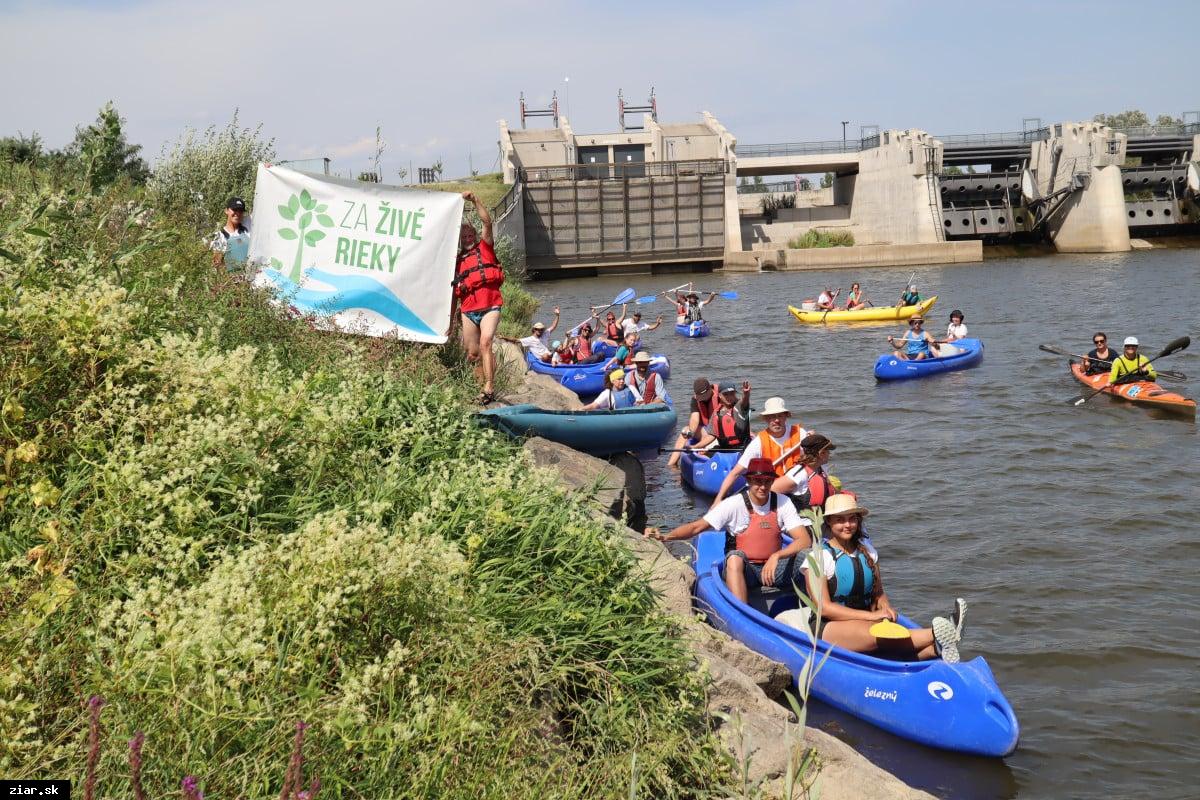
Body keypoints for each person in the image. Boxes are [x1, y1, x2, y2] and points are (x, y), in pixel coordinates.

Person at [801, 494, 965, 662]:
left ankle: (936, 650)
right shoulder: (817, 558)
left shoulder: (868, 552)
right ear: (828, 521)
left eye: (852, 519)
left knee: (884, 638)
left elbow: (878, 593)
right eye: (840, 520)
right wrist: (871, 617)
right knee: (876, 635)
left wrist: (885, 608)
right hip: (828, 626)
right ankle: (936, 633)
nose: (848, 525)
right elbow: (825, 608)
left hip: (866, 620)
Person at [646, 457, 813, 603]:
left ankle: (818, 609)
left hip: (773, 568)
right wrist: (666, 536)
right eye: (757, 481)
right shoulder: (732, 504)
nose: (762, 486)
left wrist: (777, 556)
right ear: (748, 481)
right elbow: (697, 526)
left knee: (810, 556)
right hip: (745, 571)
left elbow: (804, 540)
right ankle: (742, 612)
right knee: (734, 557)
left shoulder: (782, 501)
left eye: (767, 481)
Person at [450, 192, 505, 403]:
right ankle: (481, 390)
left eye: (470, 235)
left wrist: (475, 200)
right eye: (463, 237)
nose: (467, 239)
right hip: (468, 310)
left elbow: (487, 222)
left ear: (475, 235)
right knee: (473, 354)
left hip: (490, 305)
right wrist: (449, 322)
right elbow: (454, 293)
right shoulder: (456, 261)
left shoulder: (485, 247)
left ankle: (489, 387)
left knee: (486, 343)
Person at [712, 397, 810, 504]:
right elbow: (734, 473)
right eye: (772, 417)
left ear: (786, 417)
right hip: (773, 490)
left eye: (780, 416)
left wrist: (815, 440)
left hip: (799, 489)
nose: (776, 420)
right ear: (766, 419)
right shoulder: (758, 443)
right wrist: (718, 499)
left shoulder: (800, 434)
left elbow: (818, 457)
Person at [666, 378, 722, 467]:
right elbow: (695, 419)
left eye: (705, 396)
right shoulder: (695, 400)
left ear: (710, 389)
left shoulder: (721, 395)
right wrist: (690, 432)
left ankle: (707, 457)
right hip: (705, 430)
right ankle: (671, 465)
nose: (703, 399)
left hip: (718, 431)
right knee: (685, 430)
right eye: (700, 397)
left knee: (708, 436)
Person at [772, 433, 835, 511]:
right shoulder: (799, 475)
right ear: (821, 454)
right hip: (802, 521)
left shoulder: (819, 469)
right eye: (828, 451)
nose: (829, 454)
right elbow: (771, 490)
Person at [691, 381, 752, 451]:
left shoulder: (740, 408)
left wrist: (746, 394)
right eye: (725, 394)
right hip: (725, 449)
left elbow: (744, 402)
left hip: (742, 449)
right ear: (720, 395)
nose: (729, 397)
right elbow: (712, 435)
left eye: (732, 394)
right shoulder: (716, 413)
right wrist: (696, 446)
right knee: (705, 454)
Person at [210, 197, 251, 272]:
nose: (237, 213)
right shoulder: (220, 237)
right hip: (234, 280)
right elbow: (216, 264)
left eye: (241, 211)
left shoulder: (247, 226)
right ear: (226, 211)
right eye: (234, 210)